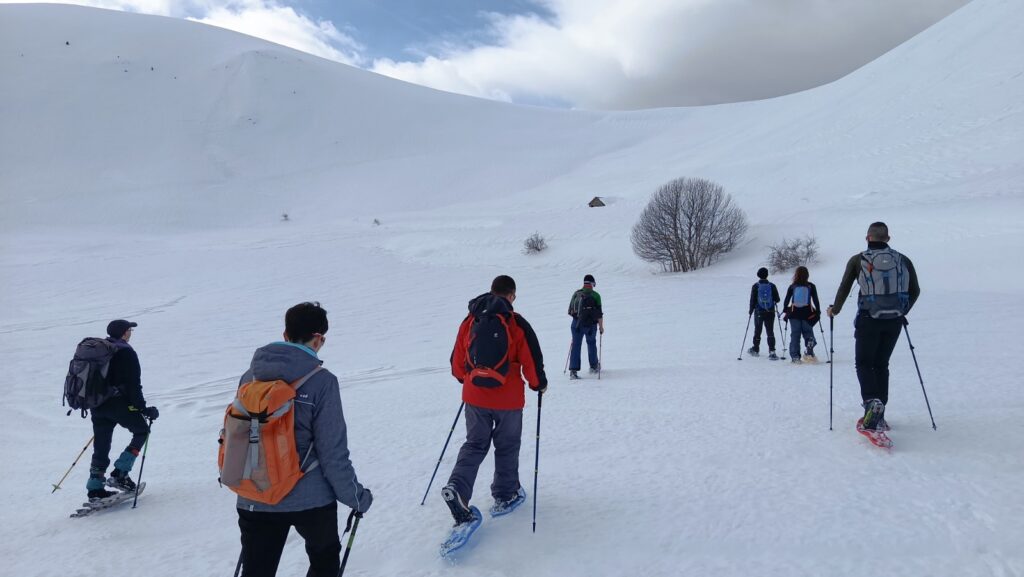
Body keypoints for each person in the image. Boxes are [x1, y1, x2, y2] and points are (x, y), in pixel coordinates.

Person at [235, 302, 372, 577]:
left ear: (285, 334)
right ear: (318, 339)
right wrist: (356, 497)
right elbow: (332, 452)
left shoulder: (250, 377)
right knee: (324, 563)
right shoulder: (322, 382)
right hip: (311, 500)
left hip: (255, 494)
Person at [444, 275, 547, 526]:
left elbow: (457, 361)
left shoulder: (471, 320)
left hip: (475, 396)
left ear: (491, 291)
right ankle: (505, 494)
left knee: (474, 444)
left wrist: (466, 379)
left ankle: (457, 488)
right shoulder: (516, 322)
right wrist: (538, 384)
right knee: (507, 445)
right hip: (508, 400)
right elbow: (531, 359)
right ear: (511, 296)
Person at [827, 222, 920, 431]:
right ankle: (880, 411)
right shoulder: (903, 259)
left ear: (867, 238)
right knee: (881, 364)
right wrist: (902, 311)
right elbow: (915, 290)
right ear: (888, 239)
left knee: (863, 363)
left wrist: (835, 309)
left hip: (868, 318)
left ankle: (871, 403)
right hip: (894, 321)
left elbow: (844, 287)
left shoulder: (858, 260)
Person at [86, 319, 158, 500]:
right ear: (125, 333)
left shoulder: (98, 351)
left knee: (101, 444)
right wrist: (143, 409)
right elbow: (133, 384)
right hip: (118, 404)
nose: (131, 333)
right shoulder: (125, 352)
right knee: (141, 431)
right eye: (130, 330)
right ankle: (120, 474)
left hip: (96, 404)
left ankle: (95, 487)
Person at [567, 274, 604, 379]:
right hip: (591, 326)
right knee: (591, 343)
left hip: (576, 324)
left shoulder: (576, 294)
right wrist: (601, 327)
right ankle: (594, 366)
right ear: (592, 283)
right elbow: (599, 314)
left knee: (576, 345)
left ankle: (573, 371)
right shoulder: (596, 296)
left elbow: (570, 311)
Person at [782, 266, 821, 364]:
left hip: (794, 313)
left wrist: (786, 309)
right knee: (808, 332)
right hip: (808, 314)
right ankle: (810, 351)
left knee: (795, 335)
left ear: (796, 275)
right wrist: (818, 311)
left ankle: (795, 357)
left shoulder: (792, 286)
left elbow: (786, 300)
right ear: (807, 275)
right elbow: (815, 300)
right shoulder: (811, 286)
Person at [748, 267, 781, 360]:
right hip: (770, 311)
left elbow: (752, 300)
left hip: (759, 311)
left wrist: (750, 311)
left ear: (758, 275)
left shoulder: (756, 286)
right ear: (767, 275)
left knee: (758, 330)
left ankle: (755, 349)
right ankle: (772, 351)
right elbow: (777, 299)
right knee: (770, 331)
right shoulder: (772, 286)